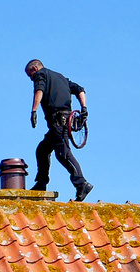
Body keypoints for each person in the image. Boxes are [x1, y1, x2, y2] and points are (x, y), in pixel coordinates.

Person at [24, 59, 93, 202]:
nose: (30, 78)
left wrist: (34, 111)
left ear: (35, 68)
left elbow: (39, 90)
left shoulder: (40, 75)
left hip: (58, 121)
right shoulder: (61, 77)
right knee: (42, 150)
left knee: (63, 153)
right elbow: (80, 89)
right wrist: (84, 108)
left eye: (30, 75)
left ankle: (81, 184)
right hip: (63, 121)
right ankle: (41, 183)